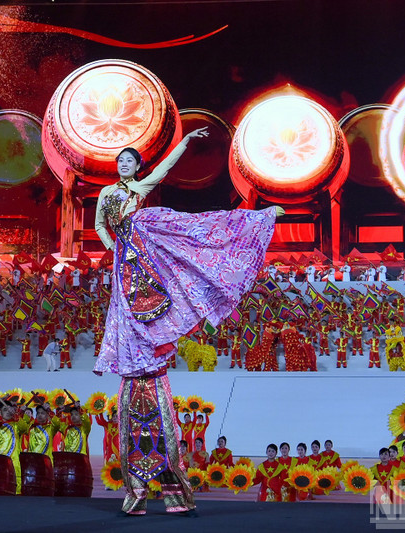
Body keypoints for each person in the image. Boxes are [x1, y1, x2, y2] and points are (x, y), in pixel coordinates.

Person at [92, 128, 282, 516]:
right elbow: (98, 227)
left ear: (137, 167)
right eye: (119, 161)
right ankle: (143, 490)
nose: (123, 164)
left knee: (194, 231)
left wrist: (185, 141)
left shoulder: (138, 190)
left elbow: (163, 169)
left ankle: (257, 220)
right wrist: (115, 250)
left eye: (129, 160)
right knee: (132, 319)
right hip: (126, 266)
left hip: (145, 257)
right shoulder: (106, 195)